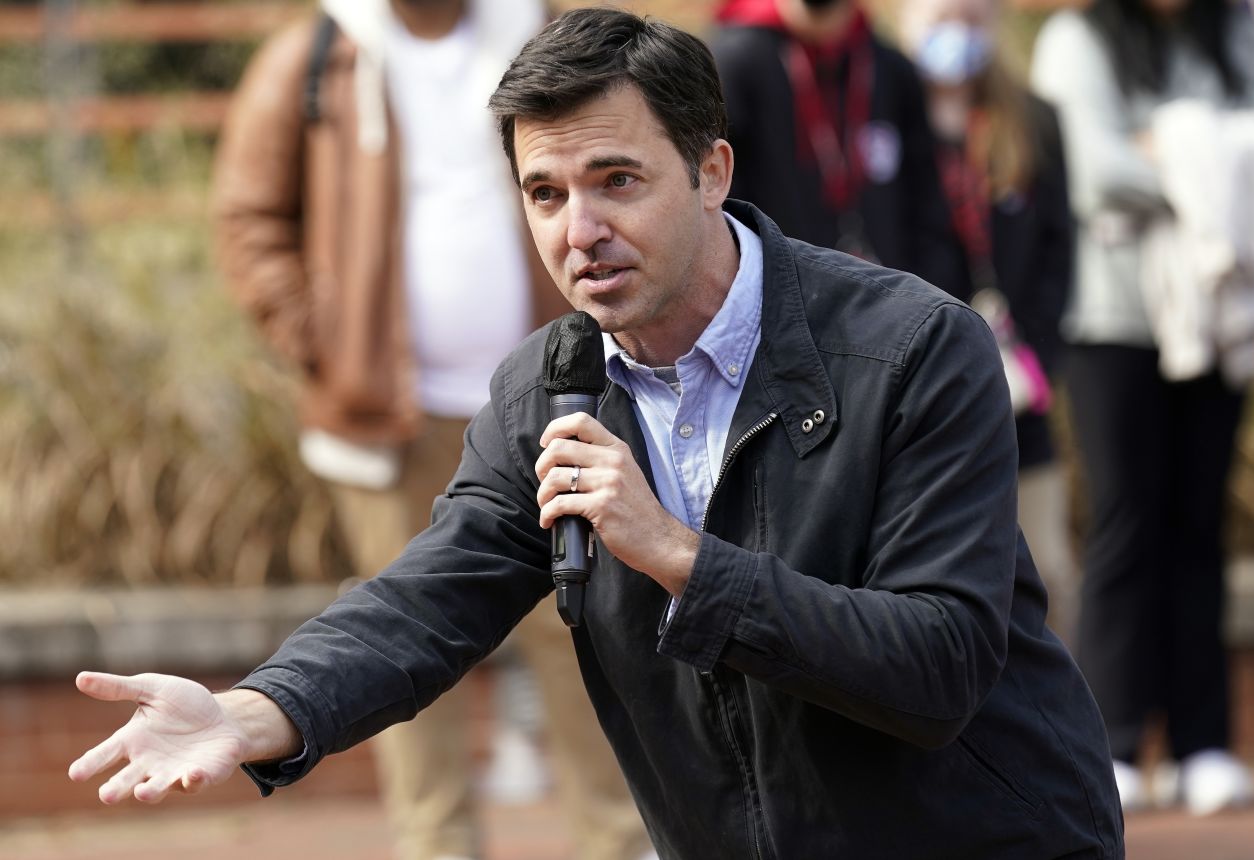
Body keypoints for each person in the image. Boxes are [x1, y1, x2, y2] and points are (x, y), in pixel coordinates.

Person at [70, 8, 1123, 858]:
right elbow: (428, 596)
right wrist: (258, 710)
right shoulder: (547, 386)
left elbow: (935, 664)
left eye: (616, 180)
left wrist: (673, 553)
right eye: (543, 191)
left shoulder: (910, 349)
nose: (578, 231)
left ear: (711, 171)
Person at [208, 1, 651, 858]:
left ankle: (623, 843)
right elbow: (247, 216)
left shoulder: (539, 35)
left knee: (587, 637)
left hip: (555, 405)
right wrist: (327, 343)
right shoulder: (317, 55)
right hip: (387, 425)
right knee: (399, 648)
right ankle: (436, 848)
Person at [1031, 0, 1254, 816]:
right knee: (1125, 523)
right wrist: (1215, 150)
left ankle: (1204, 744)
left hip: (1220, 319)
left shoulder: (1243, 33)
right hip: (1113, 326)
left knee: (1197, 525)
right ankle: (1114, 741)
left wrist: (1167, 149)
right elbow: (1093, 173)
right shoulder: (1076, 40)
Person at [897, 0, 1078, 644]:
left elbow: (1060, 247)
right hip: (923, 392)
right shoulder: (889, 118)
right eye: (945, 19)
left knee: (1048, 568)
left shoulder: (1032, 121)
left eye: (972, 20)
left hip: (1020, 387)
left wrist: (1038, 357)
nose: (958, 35)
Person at [712, 0, 969, 295]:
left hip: (890, 304)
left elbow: (928, 205)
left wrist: (925, 298)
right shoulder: (734, 64)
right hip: (778, 304)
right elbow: (721, 206)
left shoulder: (890, 70)